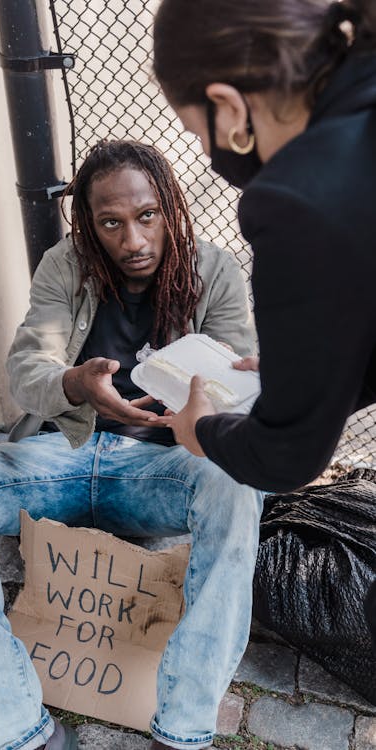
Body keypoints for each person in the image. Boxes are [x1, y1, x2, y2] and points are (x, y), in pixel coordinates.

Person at [0, 140, 262, 750]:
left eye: (147, 216)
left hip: (164, 468)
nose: (133, 241)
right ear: (89, 224)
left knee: (239, 493)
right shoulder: (65, 265)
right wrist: (75, 384)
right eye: (111, 223)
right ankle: (21, 731)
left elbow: (240, 390)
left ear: (171, 207)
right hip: (66, 456)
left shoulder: (216, 273)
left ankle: (181, 731)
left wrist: (201, 414)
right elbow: (27, 366)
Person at [152, 0, 376, 493]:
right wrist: (313, 370)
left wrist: (202, 431)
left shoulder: (294, 202)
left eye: (197, 133)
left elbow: (285, 456)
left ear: (228, 105)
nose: (208, 153)